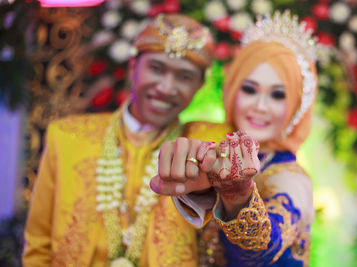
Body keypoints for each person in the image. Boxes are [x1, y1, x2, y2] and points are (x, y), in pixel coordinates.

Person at [23, 13, 218, 267]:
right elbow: (38, 245)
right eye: (156, 69)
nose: (166, 88)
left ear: (199, 86)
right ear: (133, 67)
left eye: (184, 77)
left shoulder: (206, 141)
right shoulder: (67, 136)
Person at [150, 10, 318, 266]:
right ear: (232, 90)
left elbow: (263, 246)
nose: (260, 106)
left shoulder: (290, 178)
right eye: (250, 89)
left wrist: (238, 197)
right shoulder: (214, 148)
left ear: (296, 106)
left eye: (277, 95)